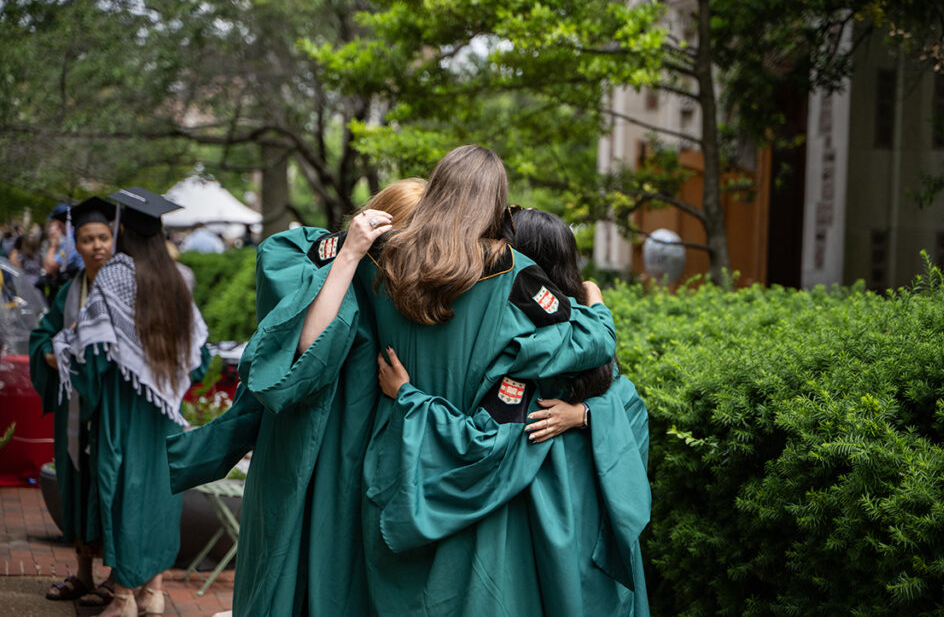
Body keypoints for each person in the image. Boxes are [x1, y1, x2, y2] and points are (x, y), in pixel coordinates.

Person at [331, 145, 617, 614]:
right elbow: (594, 342)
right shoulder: (516, 276)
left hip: (397, 452)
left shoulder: (379, 263)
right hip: (476, 469)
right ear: (495, 203)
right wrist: (595, 303)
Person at [166, 178, 427, 616]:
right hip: (303, 441)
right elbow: (305, 346)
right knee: (287, 565)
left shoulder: (416, 286)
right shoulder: (312, 255)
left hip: (363, 450)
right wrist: (350, 255)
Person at [375, 207, 651, 615]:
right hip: (573, 503)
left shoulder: (526, 338)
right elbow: (631, 407)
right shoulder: (583, 329)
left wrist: (408, 397)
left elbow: (474, 441)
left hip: (531, 494)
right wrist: (596, 308)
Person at [51, 187, 209, 617]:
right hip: (165, 413)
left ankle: (122, 597)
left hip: (124, 410)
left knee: (121, 495)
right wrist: (168, 381)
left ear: (122, 230)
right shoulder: (175, 279)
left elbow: (96, 352)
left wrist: (83, 381)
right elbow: (199, 357)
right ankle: (153, 593)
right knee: (159, 497)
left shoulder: (116, 276)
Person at [29, 197, 117, 606]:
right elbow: (42, 335)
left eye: (103, 237)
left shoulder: (124, 287)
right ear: (76, 245)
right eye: (87, 239)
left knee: (112, 489)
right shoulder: (69, 291)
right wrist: (47, 352)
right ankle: (83, 574)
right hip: (76, 408)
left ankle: (120, 578)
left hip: (114, 410)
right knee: (78, 485)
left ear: (114, 239)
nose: (97, 245)